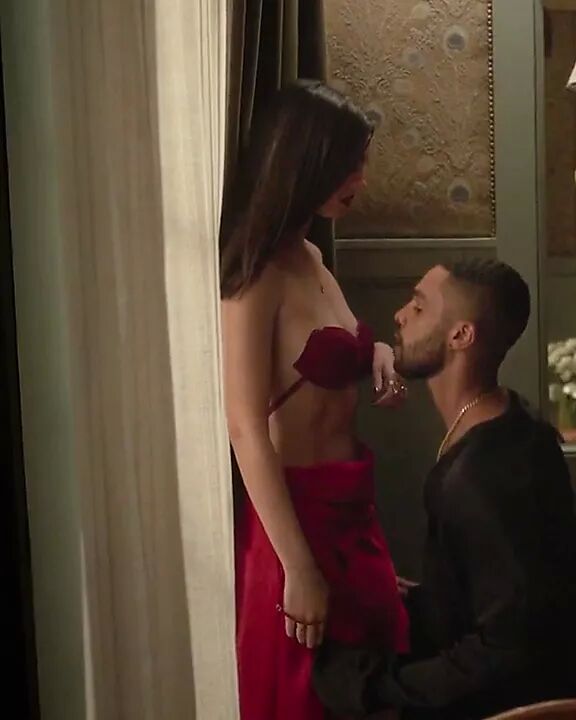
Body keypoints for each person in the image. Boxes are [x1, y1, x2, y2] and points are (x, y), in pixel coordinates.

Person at [220, 80, 410, 720]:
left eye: (362, 162)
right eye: (348, 164)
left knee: (371, 691)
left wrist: (376, 354)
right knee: (307, 699)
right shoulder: (257, 274)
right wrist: (297, 567)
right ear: (303, 162)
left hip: (352, 511)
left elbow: (336, 338)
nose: (361, 179)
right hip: (296, 521)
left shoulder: (309, 254)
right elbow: (244, 426)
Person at [313, 259, 576, 719]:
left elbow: (509, 647)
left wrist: (372, 686)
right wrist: (420, 599)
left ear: (461, 335)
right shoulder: (508, 422)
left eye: (418, 307)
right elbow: (508, 593)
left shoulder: (484, 476)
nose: (399, 315)